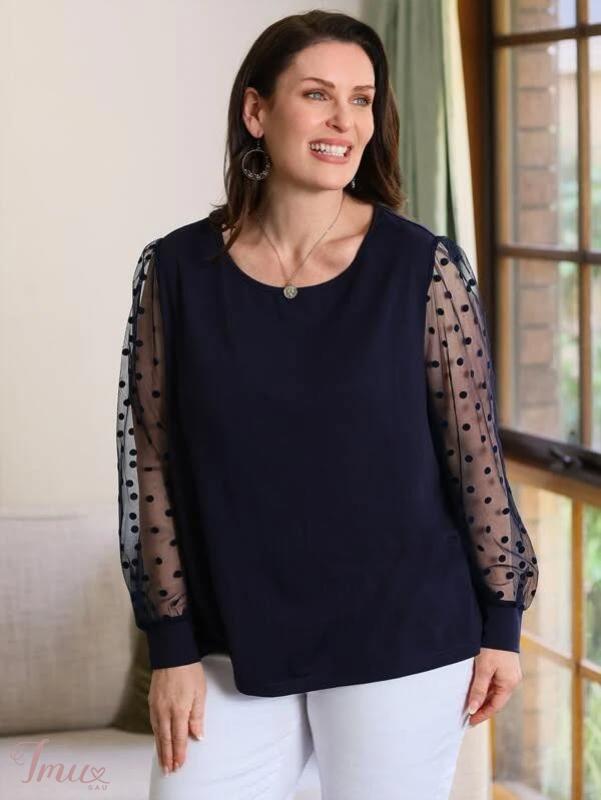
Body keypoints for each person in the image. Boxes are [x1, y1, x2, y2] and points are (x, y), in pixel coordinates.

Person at [115, 10, 539, 800]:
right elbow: (152, 469)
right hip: (231, 639)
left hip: (403, 636)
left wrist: (501, 627)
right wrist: (170, 646)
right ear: (256, 111)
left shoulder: (421, 267)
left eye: (361, 99)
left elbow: (474, 461)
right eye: (316, 95)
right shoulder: (175, 272)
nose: (344, 121)